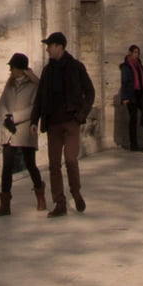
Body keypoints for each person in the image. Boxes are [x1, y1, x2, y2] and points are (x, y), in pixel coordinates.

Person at [36, 31, 96, 216]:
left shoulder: (76, 67)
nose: (47, 49)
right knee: (54, 163)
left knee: (70, 159)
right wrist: (34, 120)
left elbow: (90, 92)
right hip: (53, 122)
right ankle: (59, 202)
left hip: (71, 121)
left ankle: (75, 192)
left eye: (50, 46)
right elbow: (40, 97)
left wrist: (81, 115)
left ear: (59, 47)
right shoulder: (47, 71)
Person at [0, 52, 41, 215]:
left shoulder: (34, 86)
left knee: (30, 165)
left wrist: (15, 117)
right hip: (9, 132)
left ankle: (40, 193)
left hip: (25, 131)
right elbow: (1, 104)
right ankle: (5, 204)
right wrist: (6, 116)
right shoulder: (10, 85)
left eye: (13, 68)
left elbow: (35, 108)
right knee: (7, 167)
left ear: (20, 69)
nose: (11, 71)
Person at [116, 43, 143, 152]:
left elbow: (142, 77)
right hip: (131, 94)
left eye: (138, 53)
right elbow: (124, 82)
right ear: (130, 53)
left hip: (140, 94)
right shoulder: (126, 66)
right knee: (133, 119)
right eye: (135, 52)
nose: (136, 55)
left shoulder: (139, 64)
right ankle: (134, 144)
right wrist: (125, 97)